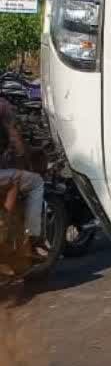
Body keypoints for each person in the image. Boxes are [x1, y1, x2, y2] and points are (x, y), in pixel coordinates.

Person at [0, 98, 43, 276]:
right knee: (35, 182)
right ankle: (29, 241)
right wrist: (27, 153)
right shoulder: (3, 106)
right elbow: (17, 143)